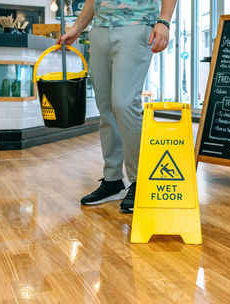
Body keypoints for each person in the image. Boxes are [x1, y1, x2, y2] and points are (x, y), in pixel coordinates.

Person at [57, 0, 177, 213]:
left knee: (123, 103)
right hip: (100, 31)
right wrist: (77, 28)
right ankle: (113, 180)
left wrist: (164, 21)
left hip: (137, 26)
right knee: (106, 108)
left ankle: (141, 181)